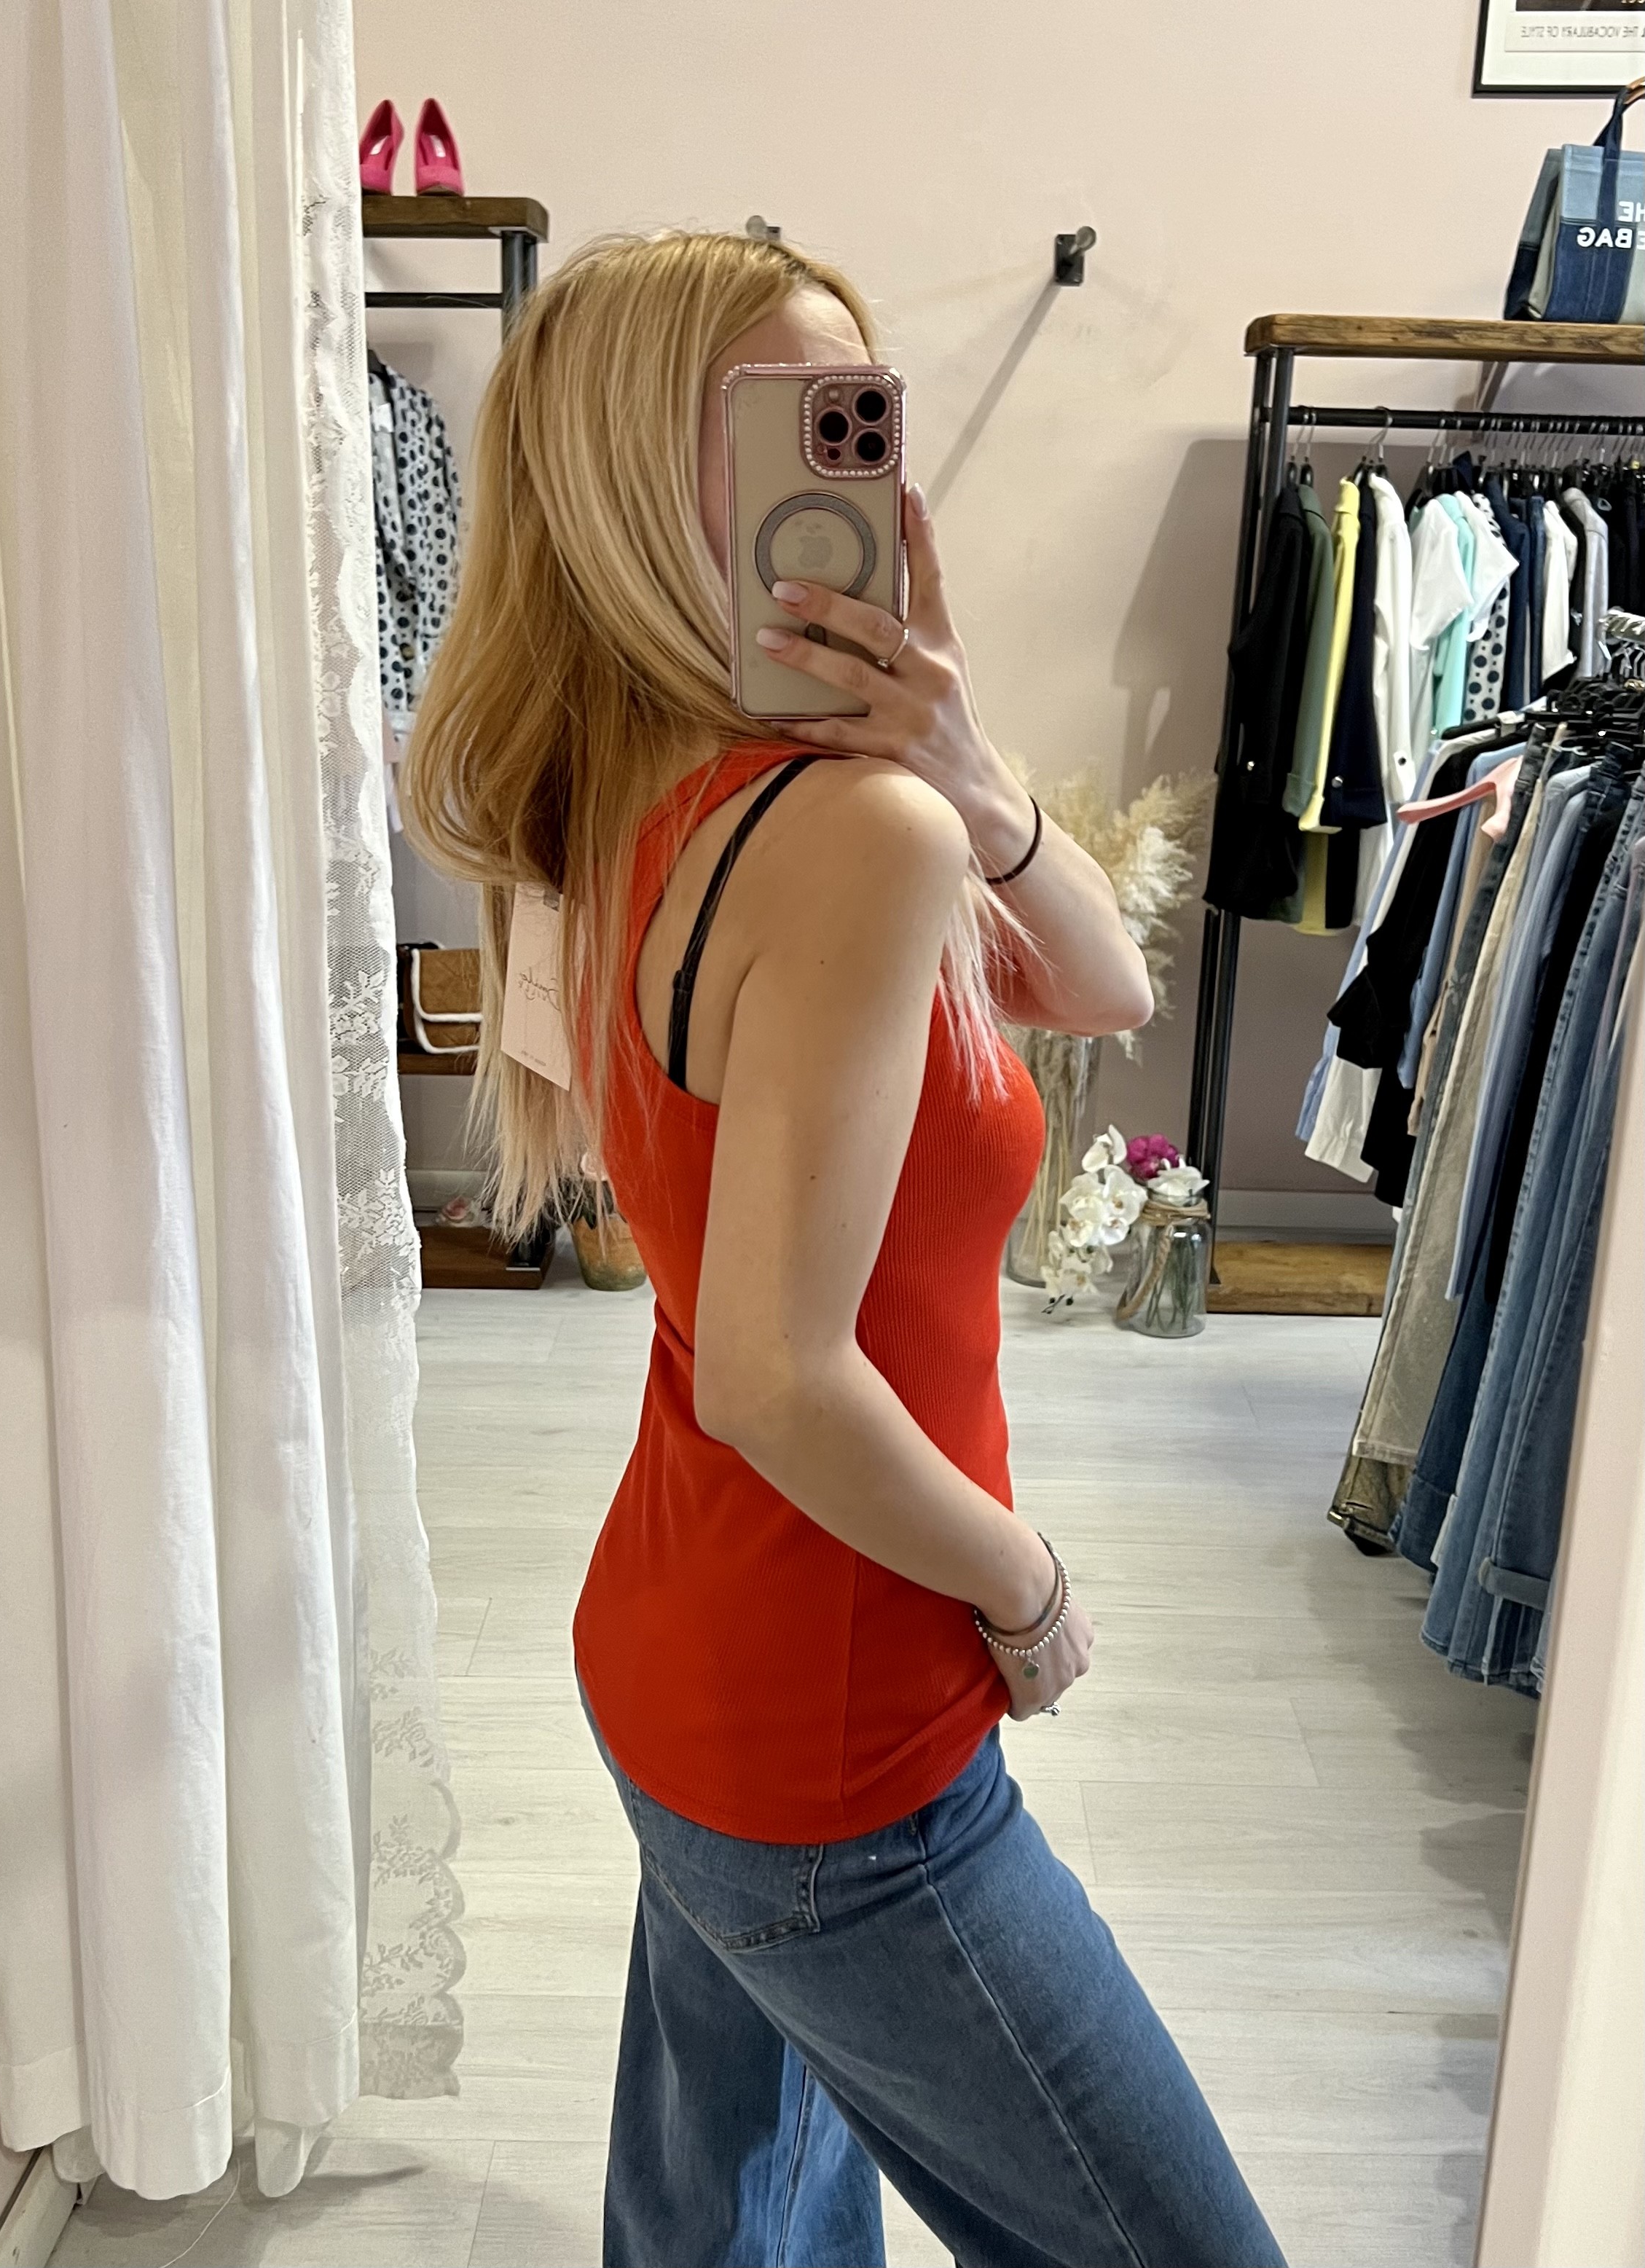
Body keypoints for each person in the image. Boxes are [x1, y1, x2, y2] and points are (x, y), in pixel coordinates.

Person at [404, 230, 1285, 2268]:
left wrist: (966, 771)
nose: (849, 475)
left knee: (732, 2233)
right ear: (642, 479)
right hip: (842, 1739)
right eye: (785, 425)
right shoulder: (840, 839)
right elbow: (780, 1377)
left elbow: (1106, 986)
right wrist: (1026, 1584)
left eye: (856, 419)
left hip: (687, 1663)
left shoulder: (632, 798)